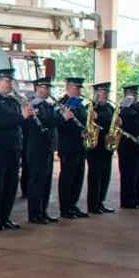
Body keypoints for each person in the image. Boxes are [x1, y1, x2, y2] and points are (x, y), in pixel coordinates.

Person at [0, 68, 33, 230]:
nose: (10, 84)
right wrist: (21, 117)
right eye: (7, 81)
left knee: (11, 184)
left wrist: (27, 116)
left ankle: (6, 217)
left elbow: (20, 124)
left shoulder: (13, 101)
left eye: (11, 81)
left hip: (14, 147)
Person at [24, 77, 60, 224]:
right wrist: (61, 117)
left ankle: (43, 211)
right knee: (36, 181)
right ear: (36, 89)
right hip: (35, 148)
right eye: (43, 88)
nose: (46, 91)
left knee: (46, 181)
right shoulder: (34, 106)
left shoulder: (48, 105)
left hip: (47, 148)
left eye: (48, 88)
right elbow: (47, 122)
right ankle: (34, 214)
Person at [57, 77, 90, 219]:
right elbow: (59, 125)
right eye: (76, 88)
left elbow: (83, 120)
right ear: (68, 87)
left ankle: (73, 205)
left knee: (78, 177)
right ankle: (65, 208)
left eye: (80, 88)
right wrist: (65, 118)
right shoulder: (61, 104)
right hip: (68, 146)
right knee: (68, 177)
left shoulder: (80, 104)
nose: (79, 90)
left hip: (80, 145)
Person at [118, 84, 139, 209]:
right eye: (131, 94)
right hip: (127, 146)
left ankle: (136, 198)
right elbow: (127, 123)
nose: (134, 96)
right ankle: (127, 200)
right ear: (126, 95)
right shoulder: (123, 108)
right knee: (129, 175)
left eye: (135, 94)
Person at [85, 82, 116, 215]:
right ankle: (93, 205)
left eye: (107, 92)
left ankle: (101, 202)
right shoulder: (91, 107)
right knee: (95, 176)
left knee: (105, 175)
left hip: (107, 145)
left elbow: (113, 122)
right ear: (96, 93)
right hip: (95, 146)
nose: (105, 95)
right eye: (103, 92)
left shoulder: (110, 107)